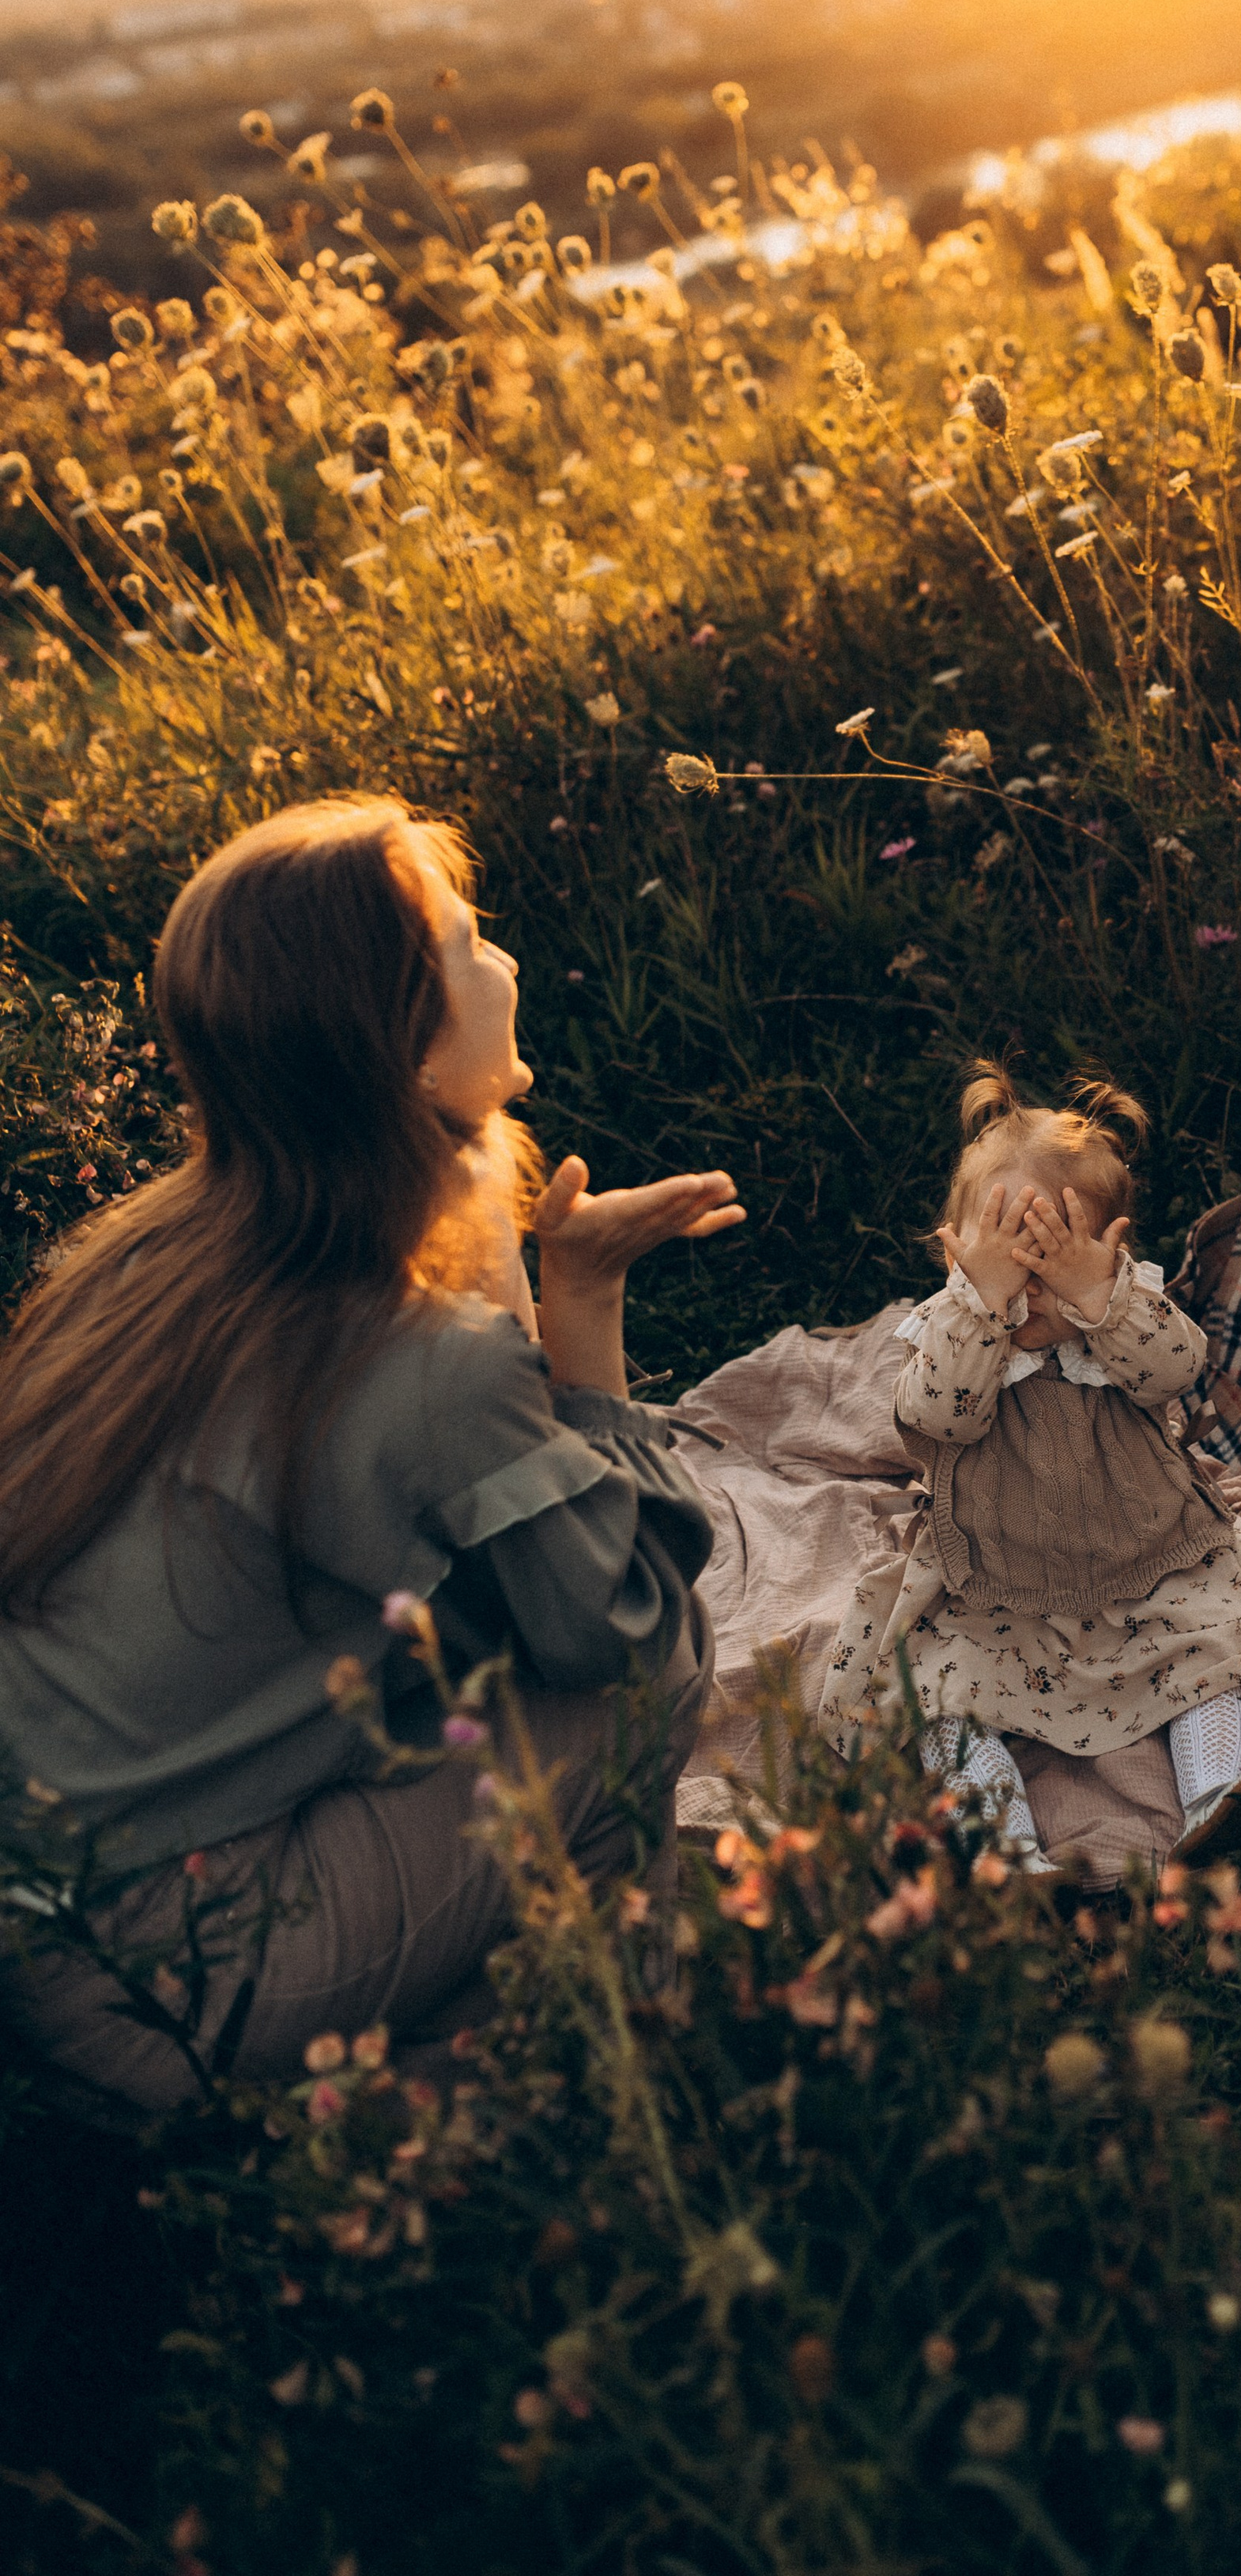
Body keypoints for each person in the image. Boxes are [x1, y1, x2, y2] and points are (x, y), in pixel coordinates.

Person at [0, 795, 743, 2112]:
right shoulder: (411, 1360)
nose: (504, 964)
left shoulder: (137, 1255)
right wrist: (584, 1311)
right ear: (401, 1057)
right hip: (187, 1971)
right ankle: (574, 2058)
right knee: (652, 1677)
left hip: (51, 1920)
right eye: (471, 941)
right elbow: (617, 1626)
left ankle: (411, 2035)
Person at [818, 1065, 1241, 1861]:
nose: (1034, 1285)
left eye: (1057, 1256)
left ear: (1112, 1249)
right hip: (993, 1585)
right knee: (935, 1687)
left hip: (1151, 1563)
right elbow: (936, 1414)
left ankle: (1222, 1801)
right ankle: (1001, 1844)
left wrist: (1102, 1299)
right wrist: (980, 1306)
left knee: (1211, 1646)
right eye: (1013, 1259)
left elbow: (1176, 1370)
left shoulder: (1122, 1314)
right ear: (959, 1257)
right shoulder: (953, 1331)